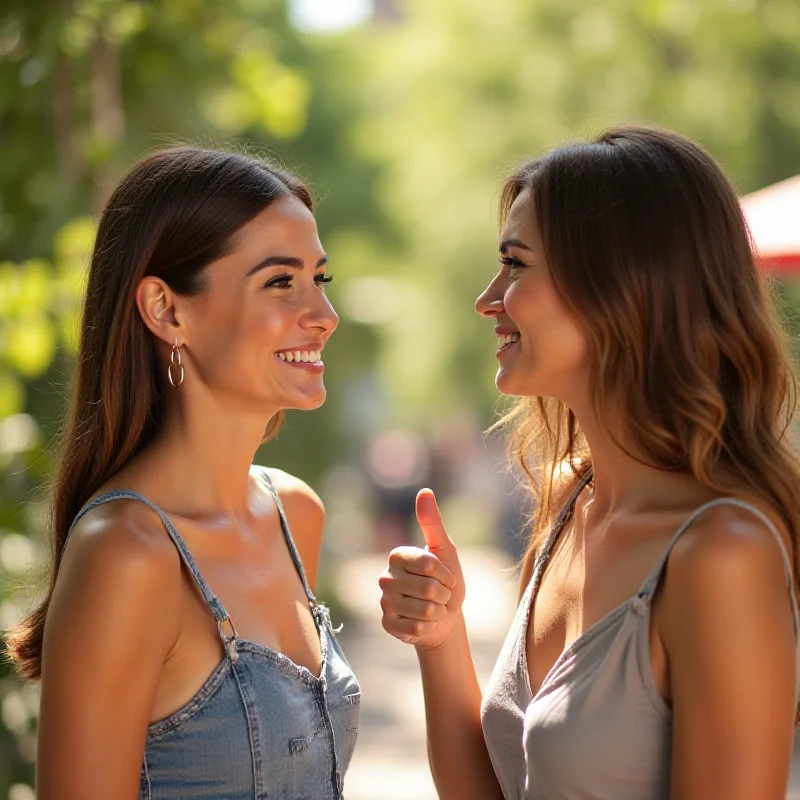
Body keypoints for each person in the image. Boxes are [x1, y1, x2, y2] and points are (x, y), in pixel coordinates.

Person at [379, 126, 800, 799]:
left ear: (621, 288)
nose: (489, 298)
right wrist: (440, 635)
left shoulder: (723, 553)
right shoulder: (570, 498)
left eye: (516, 264)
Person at [5, 148, 360, 800]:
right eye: (281, 282)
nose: (323, 315)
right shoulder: (126, 552)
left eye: (319, 280)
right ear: (167, 310)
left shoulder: (294, 514)